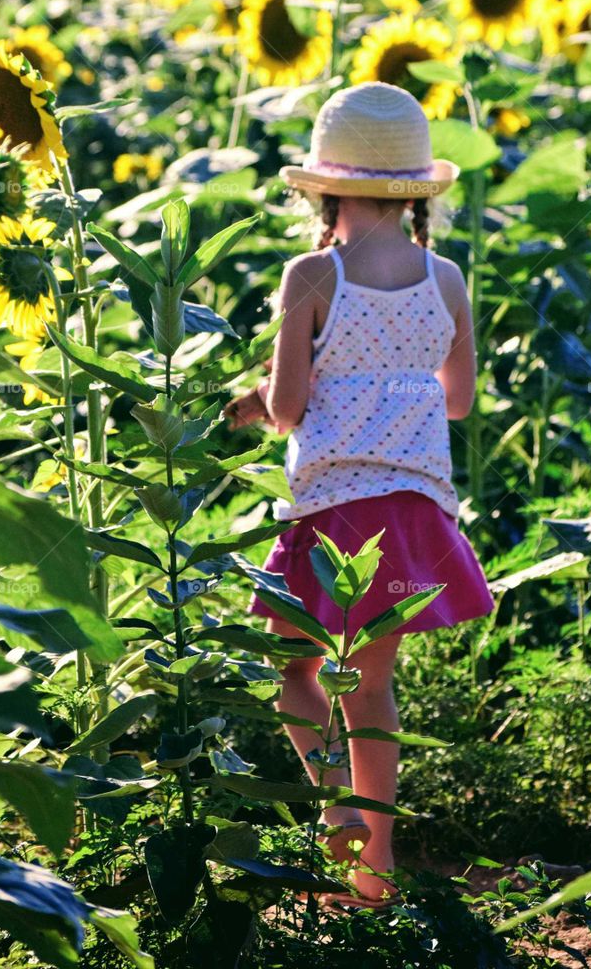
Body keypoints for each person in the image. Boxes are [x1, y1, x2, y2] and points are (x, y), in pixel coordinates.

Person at [226, 81, 494, 907]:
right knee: (372, 686)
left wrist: (254, 405)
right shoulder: (444, 279)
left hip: (333, 509)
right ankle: (373, 873)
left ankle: (333, 798)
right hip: (413, 515)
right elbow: (457, 400)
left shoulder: (312, 275)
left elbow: (290, 410)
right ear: (412, 193)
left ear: (326, 187)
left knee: (293, 671)